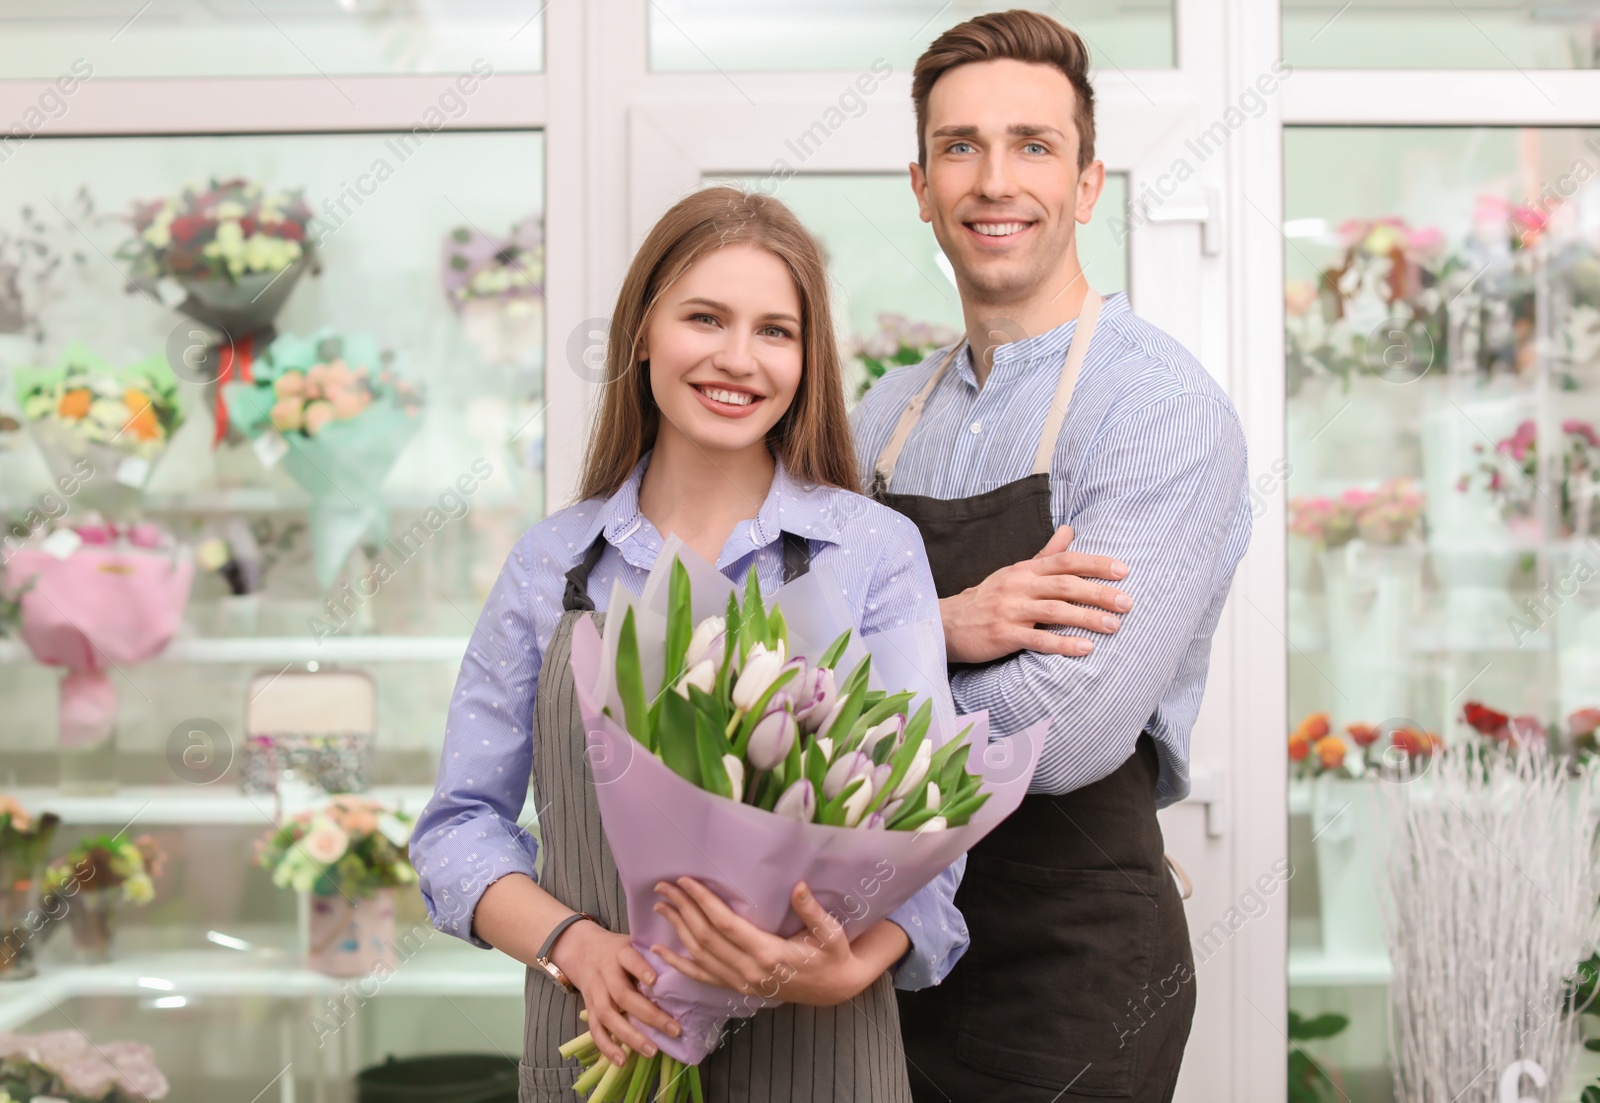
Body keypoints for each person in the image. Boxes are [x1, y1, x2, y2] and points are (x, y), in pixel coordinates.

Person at [410, 185, 966, 1103]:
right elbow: (458, 825)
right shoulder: (553, 561)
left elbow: (929, 823)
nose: (737, 359)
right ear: (642, 332)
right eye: (705, 318)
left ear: (807, 355)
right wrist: (574, 948)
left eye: (775, 331)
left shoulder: (870, 548)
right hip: (601, 1041)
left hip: (820, 1050)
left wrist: (848, 966)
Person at [851, 11, 1252, 1102]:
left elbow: (1068, 730)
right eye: (959, 146)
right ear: (922, 183)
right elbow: (779, 634)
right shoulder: (881, 415)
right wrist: (942, 623)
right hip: (872, 947)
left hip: (1070, 973)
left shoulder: (1157, 411)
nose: (994, 180)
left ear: (1086, 184)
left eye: (1033, 145)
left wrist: (844, 701)